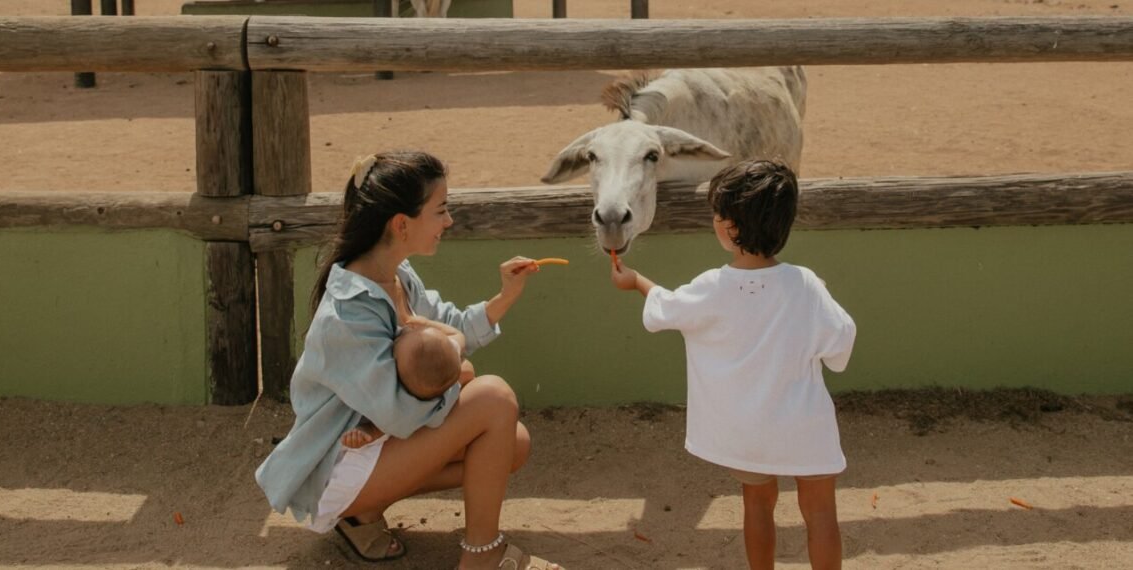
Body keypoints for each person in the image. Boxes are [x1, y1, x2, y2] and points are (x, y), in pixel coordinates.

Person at [255, 151, 563, 570]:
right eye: (441, 210)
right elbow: (400, 413)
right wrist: (462, 372)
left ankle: (361, 515)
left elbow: (448, 327)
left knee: (513, 443)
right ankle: (482, 555)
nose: (449, 221)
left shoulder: (396, 274)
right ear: (401, 224)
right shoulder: (347, 312)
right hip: (337, 467)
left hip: (373, 447)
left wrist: (503, 298)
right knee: (493, 399)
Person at [609, 159, 856, 570]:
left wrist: (635, 280)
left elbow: (666, 309)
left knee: (758, 505)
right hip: (804, 429)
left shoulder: (711, 287)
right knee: (821, 514)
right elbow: (839, 347)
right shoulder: (806, 285)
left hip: (748, 434)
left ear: (728, 227)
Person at [341, 317, 476, 449]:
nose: (405, 331)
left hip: (391, 433)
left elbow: (382, 425)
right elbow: (458, 336)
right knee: (467, 369)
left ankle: (366, 433)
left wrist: (368, 430)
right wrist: (427, 323)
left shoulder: (401, 408)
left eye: (398, 342)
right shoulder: (445, 353)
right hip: (417, 429)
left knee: (386, 424)